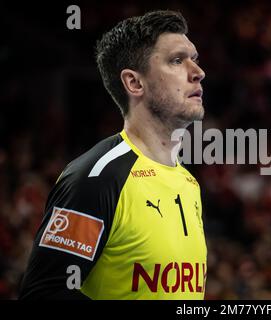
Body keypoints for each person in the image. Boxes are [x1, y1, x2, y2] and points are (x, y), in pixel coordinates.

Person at [19, 10, 207, 300]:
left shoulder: (188, 183)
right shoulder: (97, 177)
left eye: (195, 59)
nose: (198, 72)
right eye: (177, 60)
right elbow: (43, 293)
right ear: (134, 83)